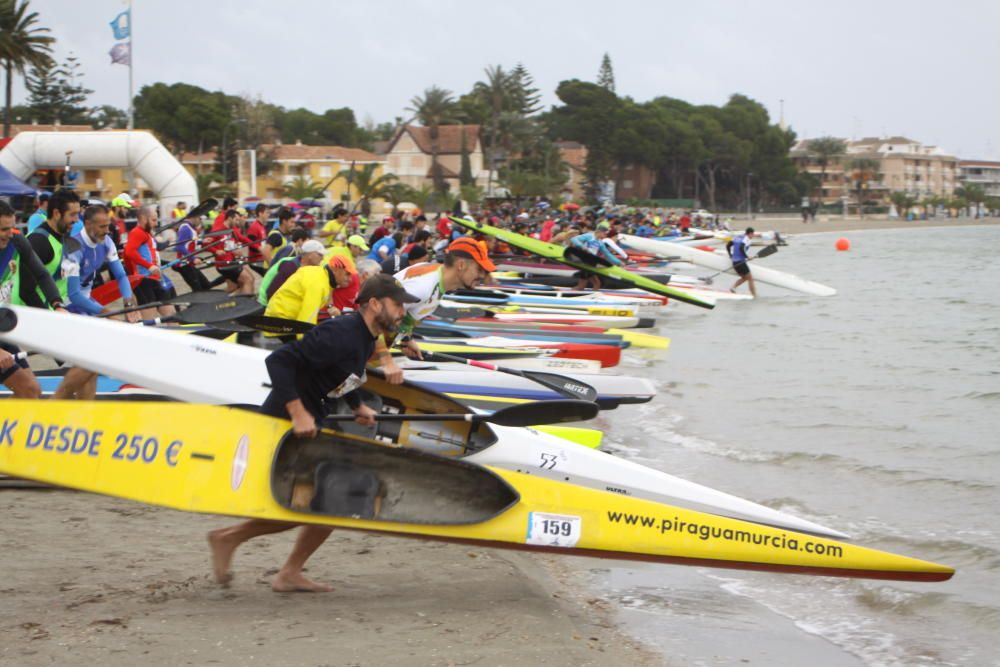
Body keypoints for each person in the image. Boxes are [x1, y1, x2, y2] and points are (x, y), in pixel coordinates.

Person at [207, 274, 420, 592]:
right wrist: (297, 412)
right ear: (375, 304)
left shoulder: (365, 336)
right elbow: (279, 362)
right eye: (397, 304)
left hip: (312, 417)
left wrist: (356, 405)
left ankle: (284, 569)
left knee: (331, 502)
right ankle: (230, 539)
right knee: (312, 502)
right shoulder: (340, 334)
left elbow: (343, 373)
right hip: (285, 420)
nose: (403, 312)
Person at [377, 237, 495, 382]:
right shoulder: (423, 287)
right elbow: (373, 319)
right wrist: (387, 362)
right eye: (479, 269)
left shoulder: (437, 281)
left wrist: (405, 339)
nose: (482, 276)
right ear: (461, 265)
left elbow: (406, 317)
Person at [56, 205, 141, 399]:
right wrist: (105, 312)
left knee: (93, 362)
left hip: (85, 302)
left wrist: (129, 302)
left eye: (108, 226)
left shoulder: (107, 242)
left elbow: (120, 275)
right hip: (65, 304)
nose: (106, 230)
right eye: (102, 226)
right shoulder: (73, 247)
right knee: (92, 359)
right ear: (87, 224)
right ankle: (56, 401)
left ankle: (85, 409)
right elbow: (74, 294)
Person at [0, 200, 69, 398]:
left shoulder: (16, 240)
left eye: (12, 227)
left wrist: (57, 305)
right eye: (4, 229)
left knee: (30, 391)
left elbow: (42, 274)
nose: (10, 233)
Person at [11, 188, 80, 309]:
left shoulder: (63, 236)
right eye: (72, 214)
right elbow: (26, 291)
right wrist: (48, 316)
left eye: (78, 214)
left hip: (58, 310)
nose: (77, 219)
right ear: (57, 214)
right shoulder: (39, 241)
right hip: (37, 316)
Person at [124, 205, 178, 320]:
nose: (156, 223)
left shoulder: (147, 233)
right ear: (143, 219)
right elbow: (128, 252)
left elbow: (152, 252)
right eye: (153, 220)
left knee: (171, 314)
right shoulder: (137, 232)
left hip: (156, 277)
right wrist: (148, 267)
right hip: (144, 280)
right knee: (150, 318)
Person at [258, 239, 326, 306]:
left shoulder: (306, 267)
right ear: (310, 255)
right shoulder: (290, 267)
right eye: (320, 255)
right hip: (266, 303)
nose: (322, 258)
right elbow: (271, 293)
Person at [728, 227, 757, 298]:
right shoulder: (746, 239)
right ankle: (754, 296)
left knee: (744, 278)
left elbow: (728, 245)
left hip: (734, 262)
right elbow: (741, 247)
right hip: (740, 262)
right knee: (750, 278)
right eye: (753, 234)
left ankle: (733, 287)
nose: (753, 236)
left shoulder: (738, 237)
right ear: (750, 233)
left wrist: (730, 255)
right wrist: (747, 257)